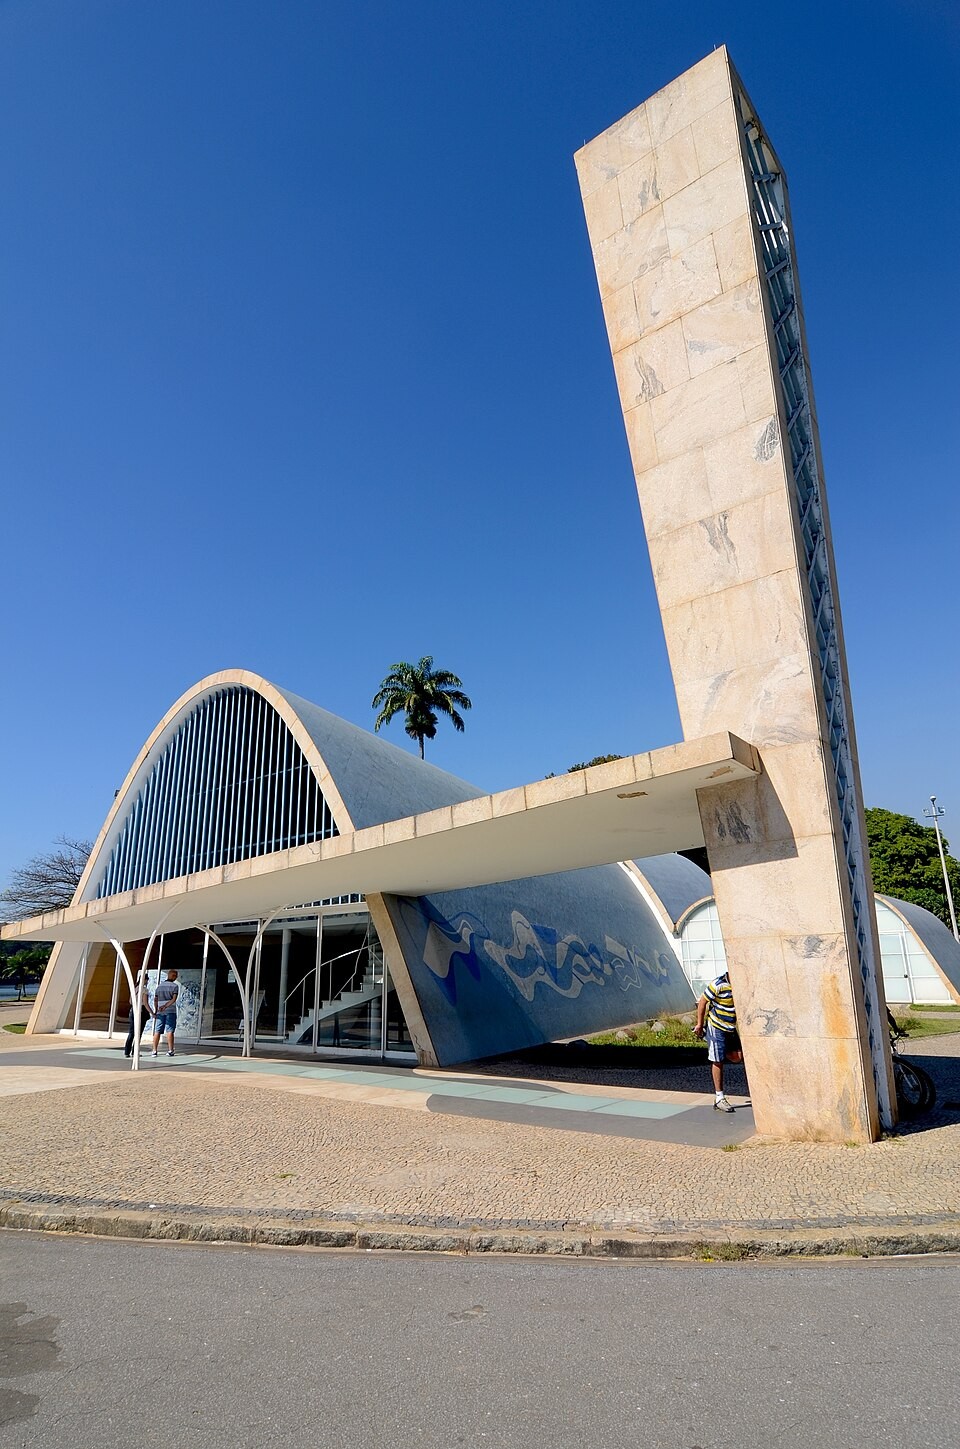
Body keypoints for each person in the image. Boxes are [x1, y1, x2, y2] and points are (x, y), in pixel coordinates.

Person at [694, 970, 743, 1113]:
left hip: (730, 1027)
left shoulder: (740, 984)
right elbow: (702, 1002)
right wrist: (699, 1024)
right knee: (717, 1060)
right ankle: (719, 1097)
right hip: (716, 1026)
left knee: (738, 1057)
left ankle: (717, 1048)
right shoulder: (717, 984)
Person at [151, 968, 180, 1058]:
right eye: (175, 976)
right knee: (170, 1030)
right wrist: (166, 1006)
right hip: (170, 1011)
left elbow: (155, 999)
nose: (175, 978)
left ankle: (154, 1050)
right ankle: (170, 1050)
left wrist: (156, 1010)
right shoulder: (175, 986)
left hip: (160, 1011)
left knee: (157, 1030)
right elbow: (174, 999)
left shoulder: (159, 986)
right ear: (173, 976)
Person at [123, 974, 153, 1058]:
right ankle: (135, 1051)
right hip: (141, 1011)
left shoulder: (135, 988)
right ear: (145, 980)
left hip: (133, 1010)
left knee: (131, 1032)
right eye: (147, 980)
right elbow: (146, 1003)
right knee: (138, 1033)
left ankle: (127, 1051)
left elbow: (130, 1001)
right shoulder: (144, 990)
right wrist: (152, 1013)